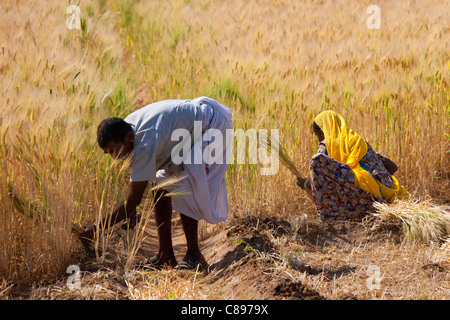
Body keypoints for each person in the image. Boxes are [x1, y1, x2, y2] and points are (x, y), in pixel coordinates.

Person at [80, 97, 233, 269]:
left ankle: (194, 254)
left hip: (210, 126)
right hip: (186, 131)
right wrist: (129, 212)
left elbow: (133, 200)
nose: (115, 157)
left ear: (128, 137)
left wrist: (96, 228)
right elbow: (135, 190)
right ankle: (165, 255)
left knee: (186, 182)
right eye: (109, 154)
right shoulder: (125, 129)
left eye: (114, 151)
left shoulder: (143, 143)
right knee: (160, 184)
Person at [296, 110, 408, 221]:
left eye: (317, 135)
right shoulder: (357, 139)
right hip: (389, 194)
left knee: (315, 161)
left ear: (322, 132)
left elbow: (320, 174)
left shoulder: (327, 144)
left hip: (367, 196)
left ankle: (327, 216)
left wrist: (307, 184)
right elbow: (392, 166)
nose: (318, 139)